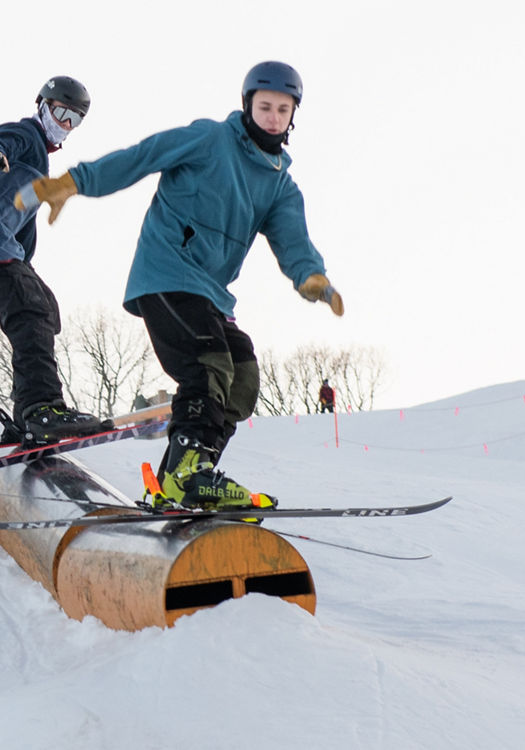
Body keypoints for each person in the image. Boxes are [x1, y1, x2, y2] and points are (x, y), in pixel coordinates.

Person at [18, 61, 343, 511]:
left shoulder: (281, 186)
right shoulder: (210, 139)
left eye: (282, 109)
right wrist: (74, 182)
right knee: (208, 364)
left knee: (242, 379)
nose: (272, 117)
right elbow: (143, 155)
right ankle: (190, 474)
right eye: (264, 106)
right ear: (247, 105)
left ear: (292, 116)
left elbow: (294, 241)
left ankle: (182, 476)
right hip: (166, 273)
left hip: (211, 294)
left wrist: (311, 277)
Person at [0, 75, 112, 445]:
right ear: (43, 105)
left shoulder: (37, 166)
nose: (65, 124)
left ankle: (27, 412)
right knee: (30, 311)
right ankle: (41, 408)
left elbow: (23, 229)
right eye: (61, 112)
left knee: (43, 306)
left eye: (75, 119)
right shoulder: (24, 136)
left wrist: (26, 266)